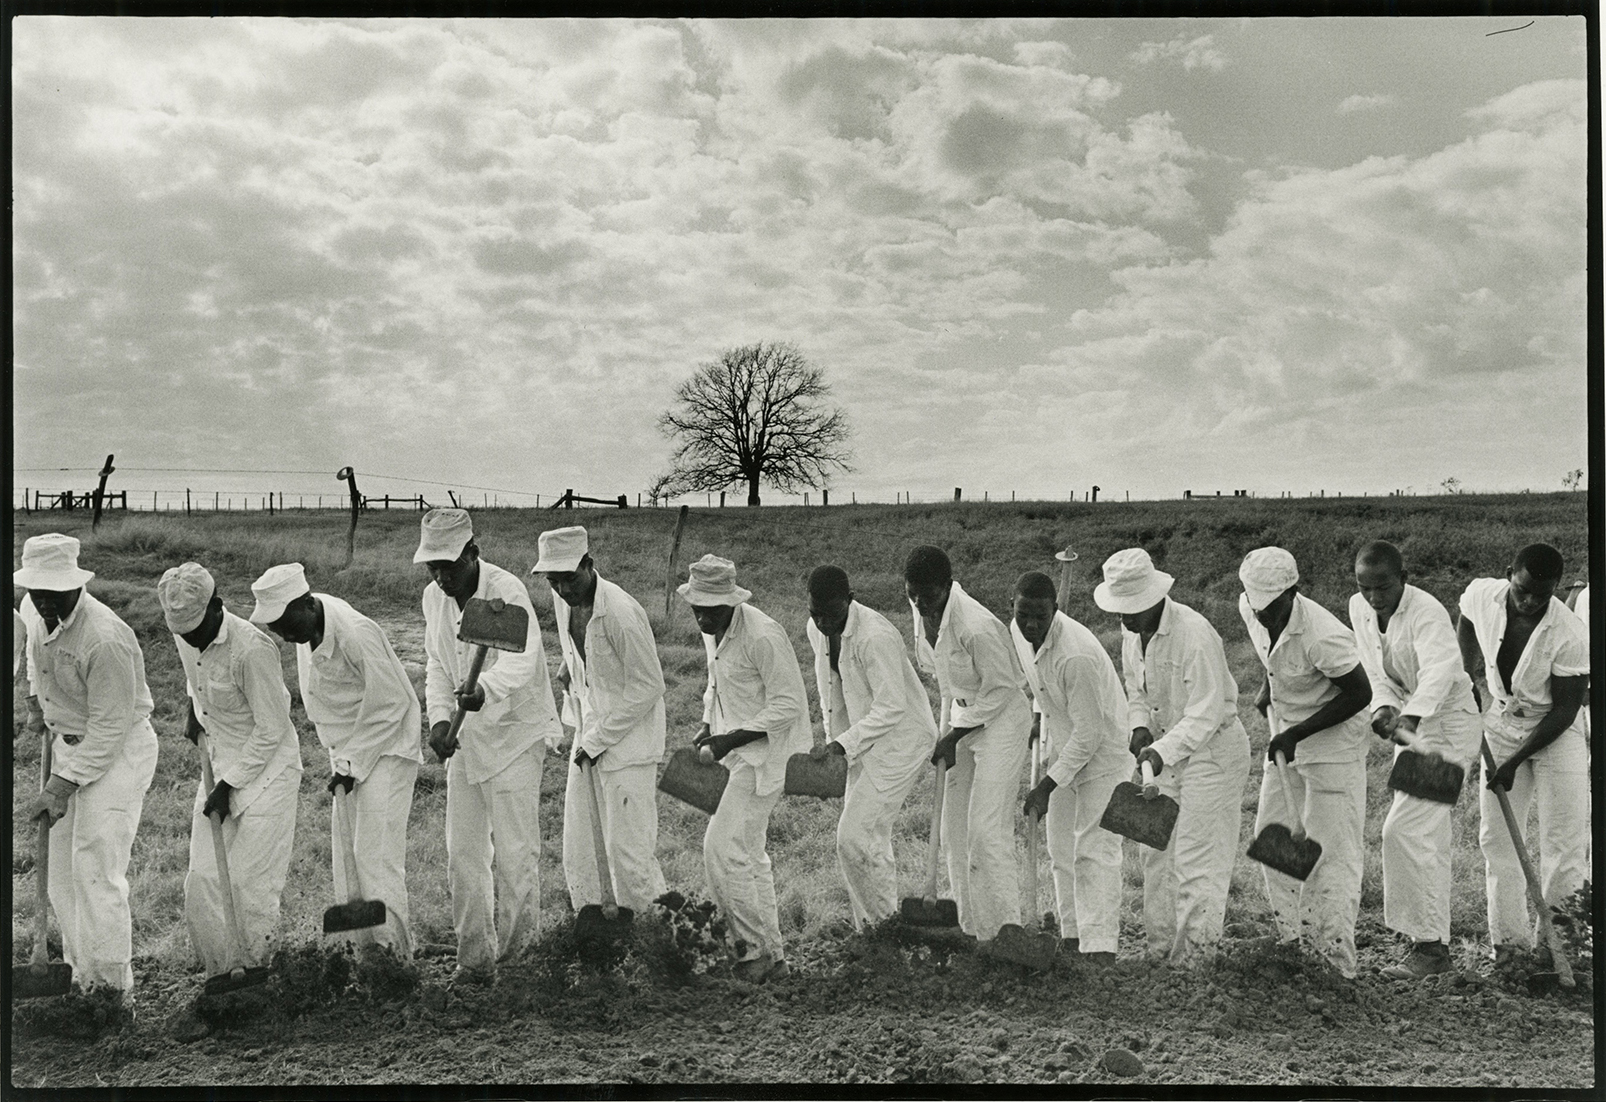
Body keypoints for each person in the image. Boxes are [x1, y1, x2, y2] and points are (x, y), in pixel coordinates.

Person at [416, 508, 562, 985]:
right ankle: (474, 959)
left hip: (514, 735)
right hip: (467, 741)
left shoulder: (506, 592)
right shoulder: (434, 599)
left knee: (516, 855)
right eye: (433, 568)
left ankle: (520, 964)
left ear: (473, 553)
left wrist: (486, 688)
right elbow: (437, 664)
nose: (442, 578)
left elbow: (524, 661)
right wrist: (440, 720)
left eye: (449, 567)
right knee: (463, 854)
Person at [251, 562, 423, 958]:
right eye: (277, 630)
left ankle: (395, 960)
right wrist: (343, 762)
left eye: (286, 625)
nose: (285, 636)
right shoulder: (305, 625)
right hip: (347, 752)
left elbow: (392, 703)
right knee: (347, 860)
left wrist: (351, 764)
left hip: (386, 745)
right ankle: (364, 955)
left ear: (308, 604)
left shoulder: (356, 633)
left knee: (375, 857)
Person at [17, 533, 159, 1003]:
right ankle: (82, 981)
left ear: (77, 585)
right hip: (67, 744)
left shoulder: (105, 637)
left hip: (117, 751)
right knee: (61, 872)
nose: (44, 600)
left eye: (54, 591)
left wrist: (60, 786)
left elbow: (110, 727)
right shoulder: (34, 608)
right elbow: (34, 657)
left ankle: (112, 993)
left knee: (95, 867)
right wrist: (36, 701)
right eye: (37, 590)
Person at [1094, 548, 1250, 966]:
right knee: (1156, 855)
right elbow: (1136, 691)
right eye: (1119, 608)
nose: (1123, 617)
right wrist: (1139, 725)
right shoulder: (1132, 635)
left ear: (1154, 598)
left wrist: (1160, 751)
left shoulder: (1195, 634)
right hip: (1164, 751)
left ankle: (1194, 962)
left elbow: (1206, 713)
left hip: (1212, 752)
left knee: (1198, 858)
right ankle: (1161, 953)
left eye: (1131, 608)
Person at [158, 561, 303, 978]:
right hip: (220, 762)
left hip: (268, 773)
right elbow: (197, 678)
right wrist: (193, 708)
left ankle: (255, 974)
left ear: (216, 606)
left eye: (195, 630)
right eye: (182, 632)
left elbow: (273, 727)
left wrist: (229, 785)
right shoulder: (187, 633)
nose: (189, 639)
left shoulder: (252, 649)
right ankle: (222, 976)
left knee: (248, 885)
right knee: (202, 881)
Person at [1237, 548, 1373, 978]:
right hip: (1288, 736)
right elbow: (1273, 657)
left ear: (1292, 592)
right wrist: (1269, 687)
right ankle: (1293, 946)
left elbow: (1360, 694)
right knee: (1273, 838)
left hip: (1333, 745)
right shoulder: (1251, 607)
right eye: (1256, 605)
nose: (1262, 615)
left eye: (1271, 606)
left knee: (1330, 855)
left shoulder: (1322, 635)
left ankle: (1333, 964)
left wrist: (1297, 734)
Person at [1350, 540, 1482, 980]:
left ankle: (1430, 950)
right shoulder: (1359, 608)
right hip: (1414, 726)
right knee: (1427, 837)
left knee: (1404, 830)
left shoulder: (1426, 612)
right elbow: (1373, 668)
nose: (1374, 597)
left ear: (1403, 579)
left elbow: (1441, 671)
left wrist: (1410, 715)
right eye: (1365, 587)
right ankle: (1430, 945)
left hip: (1448, 728)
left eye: (1383, 587)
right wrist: (1383, 707)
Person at [1456, 544, 1589, 964]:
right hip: (1502, 722)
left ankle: (1560, 951)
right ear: (1508, 573)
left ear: (1556, 589)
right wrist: (1466, 672)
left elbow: (1566, 709)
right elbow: (1466, 615)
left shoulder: (1570, 633)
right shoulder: (1483, 594)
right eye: (1522, 590)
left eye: (1541, 595)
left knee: (1564, 842)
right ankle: (1509, 950)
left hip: (1556, 730)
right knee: (1497, 840)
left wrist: (1514, 762)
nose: (1530, 601)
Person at [683, 554, 811, 981]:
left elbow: (789, 704)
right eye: (697, 608)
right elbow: (716, 682)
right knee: (749, 855)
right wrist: (708, 725)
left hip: (765, 757)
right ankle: (773, 958)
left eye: (711, 609)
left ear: (732, 601)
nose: (702, 617)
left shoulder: (763, 635)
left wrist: (731, 739)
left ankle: (752, 953)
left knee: (722, 848)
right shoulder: (713, 628)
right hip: (735, 753)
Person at [533, 526, 668, 915]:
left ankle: (654, 935)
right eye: (554, 581)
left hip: (629, 743)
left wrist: (597, 740)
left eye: (569, 579)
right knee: (581, 845)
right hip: (589, 730)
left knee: (628, 854)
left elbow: (649, 686)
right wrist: (572, 665)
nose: (563, 590)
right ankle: (597, 931)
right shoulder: (565, 600)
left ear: (588, 564)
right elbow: (585, 651)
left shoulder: (620, 613)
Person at [904, 545, 1033, 943]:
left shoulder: (976, 626)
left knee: (986, 831)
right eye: (912, 593)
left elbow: (1002, 690)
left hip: (1001, 719)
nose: (920, 603)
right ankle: (971, 930)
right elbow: (940, 671)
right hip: (962, 713)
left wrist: (955, 735)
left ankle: (1005, 932)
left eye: (928, 595)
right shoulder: (923, 607)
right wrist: (953, 726)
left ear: (947, 586)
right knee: (953, 830)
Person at [804, 565, 937, 931]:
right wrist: (835, 748)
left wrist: (842, 746)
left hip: (903, 740)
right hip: (860, 740)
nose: (823, 623)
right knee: (863, 839)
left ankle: (885, 931)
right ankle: (871, 932)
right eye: (815, 614)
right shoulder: (817, 630)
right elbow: (831, 693)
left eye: (831, 614)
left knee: (854, 836)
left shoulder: (874, 636)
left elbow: (892, 707)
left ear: (850, 600)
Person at [1012, 571, 1133, 963]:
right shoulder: (1019, 633)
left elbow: (1090, 735)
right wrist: (1037, 716)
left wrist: (1046, 786)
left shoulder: (1074, 654)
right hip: (1065, 746)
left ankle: (1100, 950)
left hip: (1105, 753)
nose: (1031, 624)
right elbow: (1041, 680)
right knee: (1061, 848)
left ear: (1055, 611)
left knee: (1094, 849)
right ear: (1012, 607)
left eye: (1040, 616)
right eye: (1023, 614)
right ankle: (1073, 937)